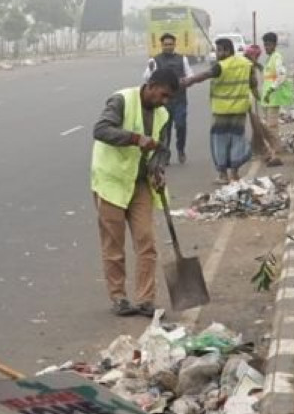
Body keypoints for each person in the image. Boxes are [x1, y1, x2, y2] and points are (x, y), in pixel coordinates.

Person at [92, 68, 175, 317]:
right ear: (150, 86)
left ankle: (146, 299)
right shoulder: (121, 100)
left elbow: (162, 149)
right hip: (111, 182)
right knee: (114, 245)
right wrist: (136, 139)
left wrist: (158, 168)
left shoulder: (162, 114)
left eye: (168, 98)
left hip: (140, 184)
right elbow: (101, 130)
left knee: (146, 242)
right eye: (162, 95)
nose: (164, 102)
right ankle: (119, 297)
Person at [183, 37, 259, 183]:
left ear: (226, 50)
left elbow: (204, 75)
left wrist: (188, 81)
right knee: (237, 140)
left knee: (220, 142)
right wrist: (257, 97)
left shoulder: (221, 66)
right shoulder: (246, 64)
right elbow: (253, 83)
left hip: (222, 112)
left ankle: (223, 175)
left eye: (218, 50)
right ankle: (235, 174)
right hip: (240, 110)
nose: (217, 53)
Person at [143, 33, 193, 164]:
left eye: (170, 44)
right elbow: (147, 78)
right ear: (162, 46)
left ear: (175, 45)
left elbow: (190, 76)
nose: (168, 47)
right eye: (166, 45)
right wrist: (152, 71)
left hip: (180, 99)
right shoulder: (154, 61)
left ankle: (181, 150)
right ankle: (165, 154)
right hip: (162, 101)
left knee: (181, 126)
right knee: (165, 129)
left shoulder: (183, 59)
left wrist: (184, 81)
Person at [259, 32, 294, 153]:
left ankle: (275, 149)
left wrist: (272, 89)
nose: (266, 48)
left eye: (268, 45)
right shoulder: (270, 58)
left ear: (274, 44)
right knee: (268, 124)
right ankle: (273, 147)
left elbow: (282, 75)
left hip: (273, 96)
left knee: (272, 126)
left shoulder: (277, 57)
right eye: (265, 45)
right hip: (267, 97)